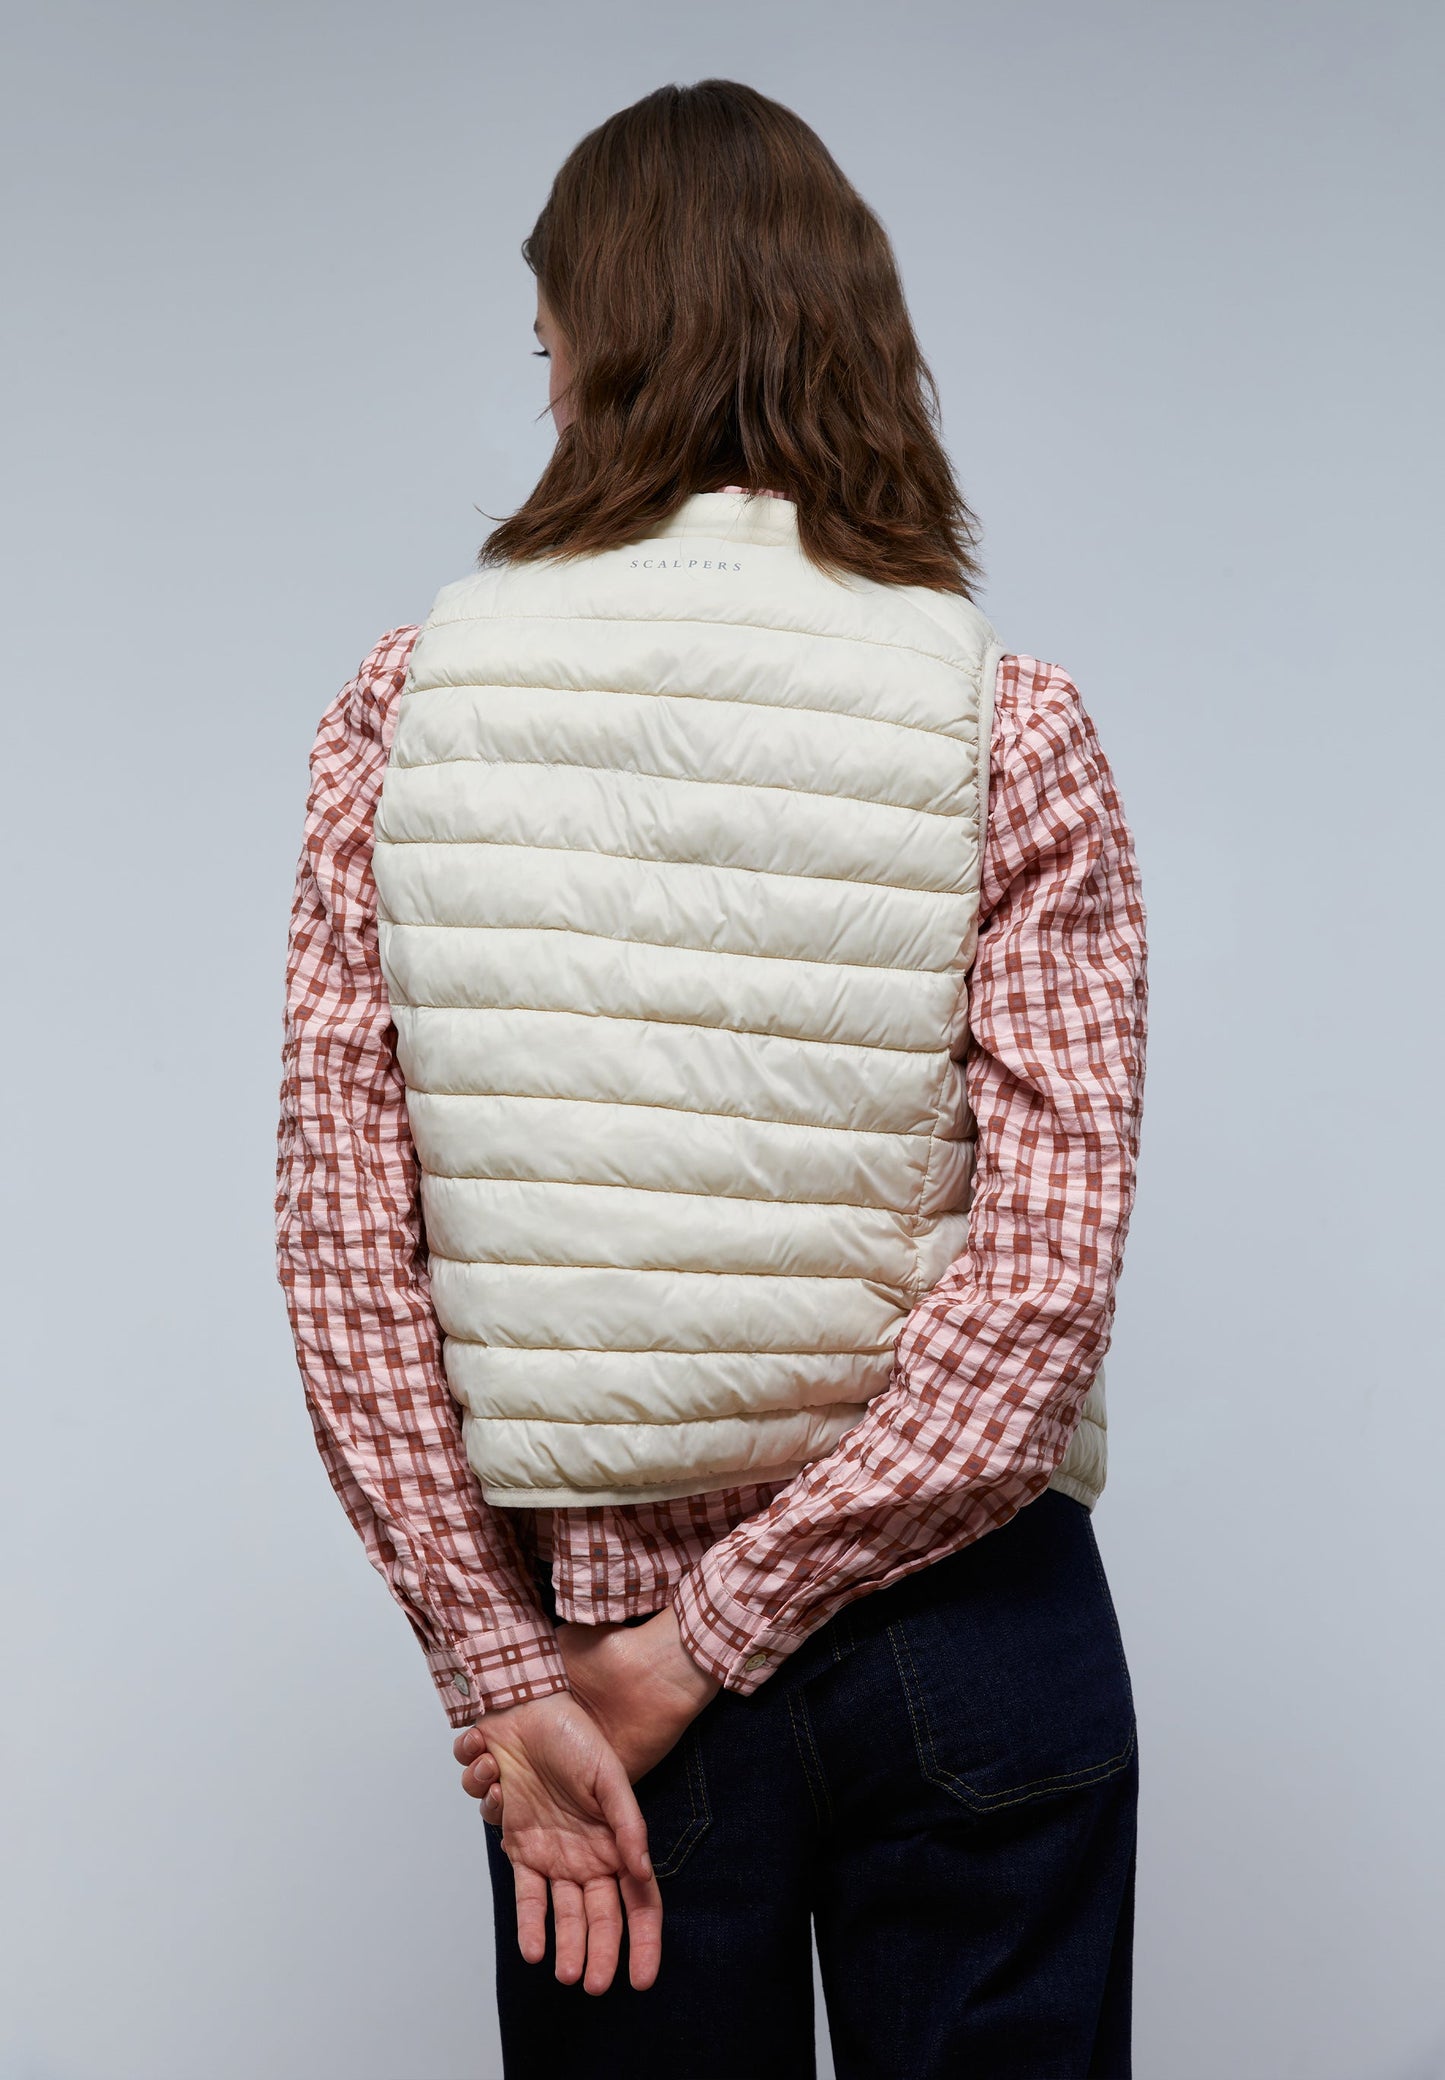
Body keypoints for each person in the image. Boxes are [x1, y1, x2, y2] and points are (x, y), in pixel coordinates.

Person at [275, 77, 1149, 2080]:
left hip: (593, 1661)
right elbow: (1041, 1284)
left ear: (595, 351)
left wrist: (515, 1666)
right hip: (964, 1635)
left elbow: (345, 1257)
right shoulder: (1007, 723)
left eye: (546, 345)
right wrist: (713, 1640)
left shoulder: (401, 714)